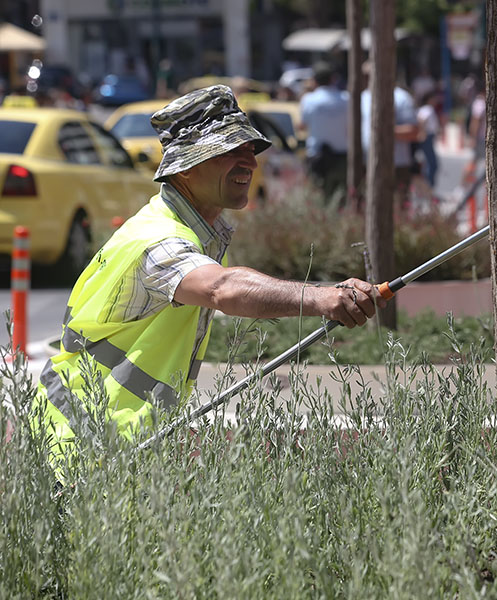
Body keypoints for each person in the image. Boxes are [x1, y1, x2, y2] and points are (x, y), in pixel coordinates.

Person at [32, 85, 385, 473]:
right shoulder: (157, 241)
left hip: (111, 445)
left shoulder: (200, 234)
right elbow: (222, 289)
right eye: (229, 151)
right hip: (77, 450)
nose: (248, 163)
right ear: (186, 166)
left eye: (250, 149)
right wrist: (321, 298)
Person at [361, 63, 420, 211]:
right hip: (367, 163)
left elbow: (413, 131)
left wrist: (386, 132)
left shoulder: (401, 97)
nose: (367, 79)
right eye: (365, 76)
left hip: (397, 164)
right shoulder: (363, 97)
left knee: (399, 209)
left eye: (370, 75)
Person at [300, 61, 349, 194]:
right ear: (333, 79)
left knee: (318, 195)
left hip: (317, 156)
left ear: (314, 80)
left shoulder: (309, 99)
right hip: (341, 156)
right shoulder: (346, 99)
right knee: (341, 195)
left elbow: (302, 125)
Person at [415, 90, 442, 188]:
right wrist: (422, 132)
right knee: (432, 163)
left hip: (428, 136)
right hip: (427, 137)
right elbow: (422, 120)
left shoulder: (425, 109)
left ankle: (426, 185)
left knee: (427, 162)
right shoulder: (428, 109)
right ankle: (429, 185)